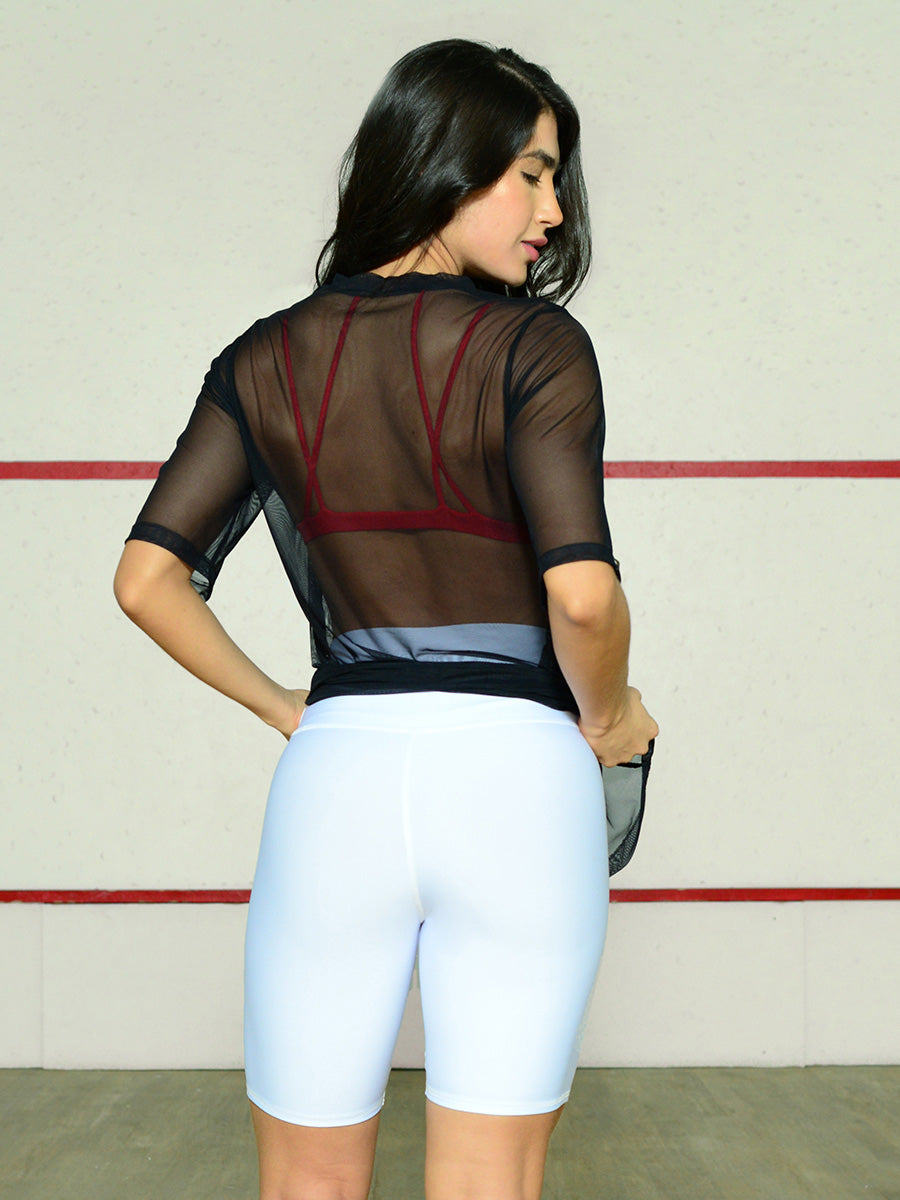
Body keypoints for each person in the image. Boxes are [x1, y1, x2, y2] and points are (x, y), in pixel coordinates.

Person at [114, 37, 658, 1200]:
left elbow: (147, 579)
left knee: (305, 1180)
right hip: (519, 781)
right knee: (488, 1181)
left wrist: (285, 707)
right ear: (444, 162)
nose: (554, 212)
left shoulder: (266, 357)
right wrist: (611, 716)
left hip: (339, 777)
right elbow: (581, 594)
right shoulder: (536, 345)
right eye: (531, 174)